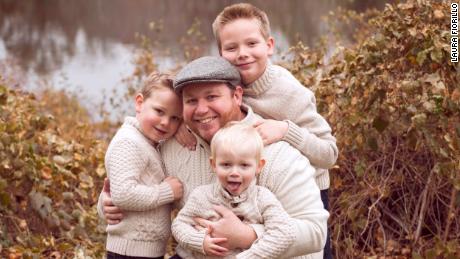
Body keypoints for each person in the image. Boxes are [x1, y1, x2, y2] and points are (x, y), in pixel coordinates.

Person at [99, 56, 329, 259]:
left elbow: (316, 232)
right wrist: (109, 204)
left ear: (237, 95)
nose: (201, 110)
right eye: (191, 101)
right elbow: (143, 192)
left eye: (211, 97)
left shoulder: (277, 152)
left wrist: (249, 235)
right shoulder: (173, 147)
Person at [174, 4, 338, 258]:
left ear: (269, 45)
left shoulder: (290, 93)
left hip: (309, 181)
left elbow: (329, 153)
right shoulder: (226, 81)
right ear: (220, 54)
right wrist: (180, 124)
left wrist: (286, 130)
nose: (242, 54)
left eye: (251, 44)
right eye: (231, 48)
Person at [172, 122, 295, 258]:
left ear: (259, 166)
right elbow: (179, 224)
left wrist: (248, 256)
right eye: (226, 164)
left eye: (244, 165)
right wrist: (200, 241)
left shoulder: (262, 199)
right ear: (214, 164)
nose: (234, 173)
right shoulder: (202, 196)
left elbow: (285, 233)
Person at [102, 73, 184, 259]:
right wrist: (167, 192)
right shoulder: (129, 142)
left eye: (175, 118)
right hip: (130, 251)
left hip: (144, 250)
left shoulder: (149, 143)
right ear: (139, 103)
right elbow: (123, 194)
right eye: (159, 111)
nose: (165, 122)